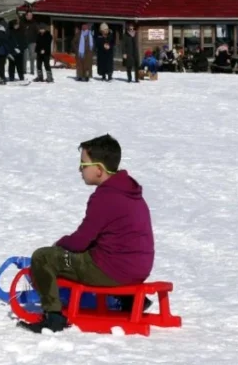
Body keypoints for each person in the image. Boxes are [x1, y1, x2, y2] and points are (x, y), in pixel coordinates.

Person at [18, 135, 154, 334]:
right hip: (139, 268)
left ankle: (53, 317)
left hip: (111, 270)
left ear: (99, 169)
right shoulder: (130, 193)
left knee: (43, 257)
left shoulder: (104, 197)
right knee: (101, 246)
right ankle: (131, 300)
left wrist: (60, 245)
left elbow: (81, 240)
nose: (80, 169)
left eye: (84, 164)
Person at [19, 10, 39, 76]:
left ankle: (32, 70)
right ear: (26, 15)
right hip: (24, 42)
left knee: (32, 56)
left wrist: (36, 41)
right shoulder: (22, 22)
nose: (30, 16)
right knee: (24, 57)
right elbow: (19, 31)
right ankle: (24, 70)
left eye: (31, 15)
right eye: (29, 15)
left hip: (32, 42)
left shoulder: (34, 23)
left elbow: (37, 32)